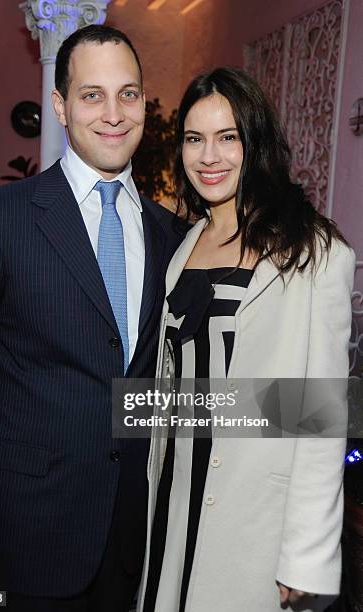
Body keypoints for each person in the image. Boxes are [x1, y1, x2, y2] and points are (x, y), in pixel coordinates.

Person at [0, 25, 185, 612]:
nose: (113, 113)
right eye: (91, 94)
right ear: (61, 105)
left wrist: (311, 414)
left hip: (132, 528)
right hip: (24, 522)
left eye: (127, 94)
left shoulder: (170, 232)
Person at [138, 68, 355, 612]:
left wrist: (307, 555)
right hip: (168, 502)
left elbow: (320, 415)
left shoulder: (313, 253)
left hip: (252, 514)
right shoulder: (180, 246)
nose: (208, 156)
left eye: (227, 137)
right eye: (194, 138)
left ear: (253, 142)